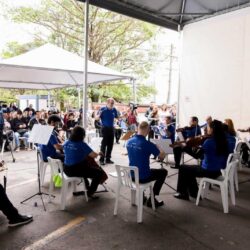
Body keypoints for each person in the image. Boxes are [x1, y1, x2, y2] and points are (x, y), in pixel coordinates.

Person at [174, 120, 231, 201]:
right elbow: (208, 153)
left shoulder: (209, 142)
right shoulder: (224, 141)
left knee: (183, 168)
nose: (207, 129)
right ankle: (194, 193)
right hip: (217, 171)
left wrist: (184, 147)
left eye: (208, 127)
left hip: (208, 171)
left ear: (212, 129)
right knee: (189, 169)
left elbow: (197, 156)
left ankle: (182, 193)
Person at [126, 121, 168, 207]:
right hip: (143, 177)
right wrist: (158, 146)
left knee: (140, 166)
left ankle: (143, 196)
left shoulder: (129, 141)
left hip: (131, 175)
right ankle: (152, 199)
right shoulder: (148, 144)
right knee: (163, 172)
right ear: (148, 130)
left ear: (138, 129)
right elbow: (161, 157)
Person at [63, 126, 107, 198]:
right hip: (75, 170)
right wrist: (99, 153)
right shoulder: (82, 144)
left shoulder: (67, 142)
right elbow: (93, 155)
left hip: (66, 169)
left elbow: (65, 149)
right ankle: (90, 192)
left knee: (86, 167)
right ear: (82, 135)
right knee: (99, 173)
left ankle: (87, 187)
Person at [96, 98, 119, 165]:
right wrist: (98, 114)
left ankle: (108, 159)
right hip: (104, 128)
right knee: (103, 145)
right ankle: (102, 159)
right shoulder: (102, 109)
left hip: (111, 128)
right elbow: (97, 118)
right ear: (107, 103)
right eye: (111, 103)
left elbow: (117, 117)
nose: (112, 104)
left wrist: (122, 116)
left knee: (110, 145)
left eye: (113, 103)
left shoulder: (114, 109)